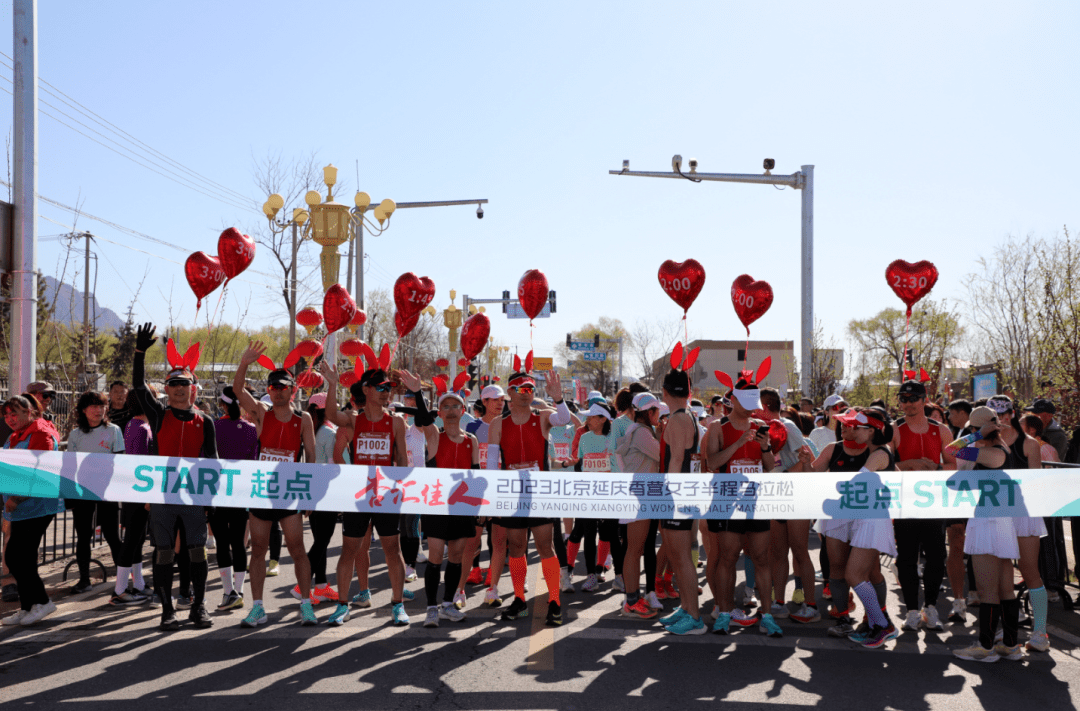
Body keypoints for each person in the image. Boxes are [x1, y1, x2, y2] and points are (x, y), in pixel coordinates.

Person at [131, 323, 218, 631]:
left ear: (193, 388)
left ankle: (198, 606)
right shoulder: (159, 415)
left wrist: (212, 501)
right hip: (164, 497)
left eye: (185, 383)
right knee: (164, 551)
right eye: (174, 384)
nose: (180, 388)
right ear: (166, 389)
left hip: (194, 497)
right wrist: (140, 353)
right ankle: (167, 609)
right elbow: (139, 388)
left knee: (197, 551)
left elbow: (213, 462)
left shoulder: (205, 421)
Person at [320, 361, 415, 627]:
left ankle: (397, 605)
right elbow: (329, 414)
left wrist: (400, 489)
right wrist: (332, 384)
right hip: (358, 494)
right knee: (350, 549)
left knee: (391, 549)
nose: (387, 392)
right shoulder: (353, 419)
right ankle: (342, 605)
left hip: (385, 494)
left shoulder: (396, 421)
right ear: (367, 389)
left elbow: (401, 460)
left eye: (389, 387)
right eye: (381, 387)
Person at [231, 341, 318, 627]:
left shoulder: (302, 418)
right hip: (262, 492)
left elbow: (312, 460)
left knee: (297, 549)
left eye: (283, 387)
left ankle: (306, 604)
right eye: (273, 388)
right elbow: (237, 391)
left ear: (292, 389)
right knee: (258, 549)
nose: (278, 392)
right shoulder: (261, 413)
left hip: (290, 492)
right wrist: (244, 362)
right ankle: (257, 607)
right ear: (268, 390)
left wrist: (309, 497)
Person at [486, 369, 573, 626]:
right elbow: (492, 466)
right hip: (512, 495)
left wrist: (558, 399)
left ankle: (555, 601)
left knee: (546, 547)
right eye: (521, 389)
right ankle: (520, 599)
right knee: (517, 548)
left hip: (540, 494)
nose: (526, 394)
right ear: (510, 392)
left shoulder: (544, 416)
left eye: (530, 389)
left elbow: (565, 419)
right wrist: (492, 499)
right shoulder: (498, 424)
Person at [701, 371, 782, 638]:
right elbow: (712, 463)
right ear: (733, 400)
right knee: (728, 556)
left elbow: (769, 467)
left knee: (761, 557)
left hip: (754, 499)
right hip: (726, 500)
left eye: (754, 405)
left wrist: (766, 447)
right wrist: (739, 442)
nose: (752, 410)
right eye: (747, 404)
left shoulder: (760, 426)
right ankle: (725, 613)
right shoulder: (717, 427)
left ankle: (767, 616)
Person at [947, 406, 1026, 662]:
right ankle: (1010, 645)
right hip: (999, 520)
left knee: (987, 589)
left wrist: (975, 434)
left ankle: (986, 646)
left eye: (973, 429)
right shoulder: (998, 450)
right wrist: (979, 433)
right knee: (1004, 588)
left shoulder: (992, 453)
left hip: (988, 521)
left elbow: (951, 449)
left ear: (978, 428)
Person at [987, 395, 1050, 653]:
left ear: (1012, 413)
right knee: (1001, 571)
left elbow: (1036, 484)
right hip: (996, 513)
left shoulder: (1029, 444)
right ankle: (1006, 628)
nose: (1000, 419)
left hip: (1023, 513)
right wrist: (976, 433)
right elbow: (954, 450)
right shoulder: (985, 442)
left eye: (1004, 414)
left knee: (1029, 569)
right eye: (994, 415)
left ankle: (1040, 632)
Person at [892, 379, 954, 632]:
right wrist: (909, 465)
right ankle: (911, 611)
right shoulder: (894, 429)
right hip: (905, 501)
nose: (907, 404)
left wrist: (936, 467)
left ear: (924, 399)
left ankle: (930, 606)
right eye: (903, 399)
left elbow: (953, 463)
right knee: (906, 558)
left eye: (913, 399)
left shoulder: (941, 430)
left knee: (937, 556)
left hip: (933, 501)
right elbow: (886, 463)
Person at [653, 364, 711, 635]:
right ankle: (687, 608)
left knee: (682, 557)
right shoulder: (687, 416)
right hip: (685, 492)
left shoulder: (678, 419)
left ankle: (695, 616)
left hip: (678, 495)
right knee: (678, 555)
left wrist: (669, 497)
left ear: (664, 392)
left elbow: (677, 459)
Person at [758, 387, 818, 624]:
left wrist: (784, 474)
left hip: (796, 496)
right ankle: (779, 602)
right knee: (777, 553)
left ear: (766, 406)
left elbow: (807, 460)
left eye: (757, 405)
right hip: (774, 497)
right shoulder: (757, 429)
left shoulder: (788, 427)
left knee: (800, 551)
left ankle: (811, 605)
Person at [1, 394, 62, 626]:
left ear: (30, 412)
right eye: (6, 415)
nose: (9, 418)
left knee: (20, 557)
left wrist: (16, 499)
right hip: (20, 508)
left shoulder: (41, 434)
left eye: (14, 413)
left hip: (37, 505)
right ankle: (27, 607)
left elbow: (42, 472)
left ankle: (43, 602)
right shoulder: (17, 434)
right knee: (17, 558)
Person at [419, 391, 479, 627]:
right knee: (435, 556)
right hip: (437, 505)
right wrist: (416, 391)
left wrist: (480, 507)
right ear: (440, 413)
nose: (452, 410)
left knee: (456, 557)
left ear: (463, 411)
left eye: (456, 406)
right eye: (447, 406)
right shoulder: (434, 436)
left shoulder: (470, 440)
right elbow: (424, 419)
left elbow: (477, 475)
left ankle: (446, 605)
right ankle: (431, 609)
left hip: (463, 507)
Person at [66, 391, 125, 594]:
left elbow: (120, 461)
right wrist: (69, 495)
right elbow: (69, 466)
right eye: (93, 406)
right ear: (83, 410)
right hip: (83, 493)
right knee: (83, 536)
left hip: (107, 493)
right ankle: (84, 579)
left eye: (102, 405)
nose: (98, 410)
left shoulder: (114, 430)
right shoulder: (75, 435)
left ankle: (123, 580)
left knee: (112, 536)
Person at [210, 386, 259, 612]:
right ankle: (238, 592)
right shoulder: (250, 429)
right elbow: (253, 462)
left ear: (221, 405)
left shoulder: (214, 426)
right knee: (239, 542)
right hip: (240, 492)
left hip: (217, 492)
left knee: (222, 543)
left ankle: (228, 591)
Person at [615, 392, 663, 618]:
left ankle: (633, 597)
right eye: (657, 411)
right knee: (634, 550)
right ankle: (631, 601)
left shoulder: (639, 431)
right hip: (638, 496)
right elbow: (664, 457)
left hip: (637, 495)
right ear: (649, 412)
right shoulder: (643, 434)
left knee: (634, 549)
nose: (660, 415)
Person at [294, 392, 343, 606]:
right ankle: (300, 586)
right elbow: (335, 465)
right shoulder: (330, 433)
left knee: (319, 540)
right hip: (328, 492)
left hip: (313, 490)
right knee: (322, 540)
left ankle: (321, 587)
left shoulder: (313, 431)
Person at [110, 384, 156, 605]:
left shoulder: (137, 425)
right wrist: (147, 495)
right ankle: (119, 590)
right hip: (138, 492)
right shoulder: (139, 427)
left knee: (137, 540)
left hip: (137, 492)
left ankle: (138, 584)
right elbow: (140, 463)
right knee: (132, 540)